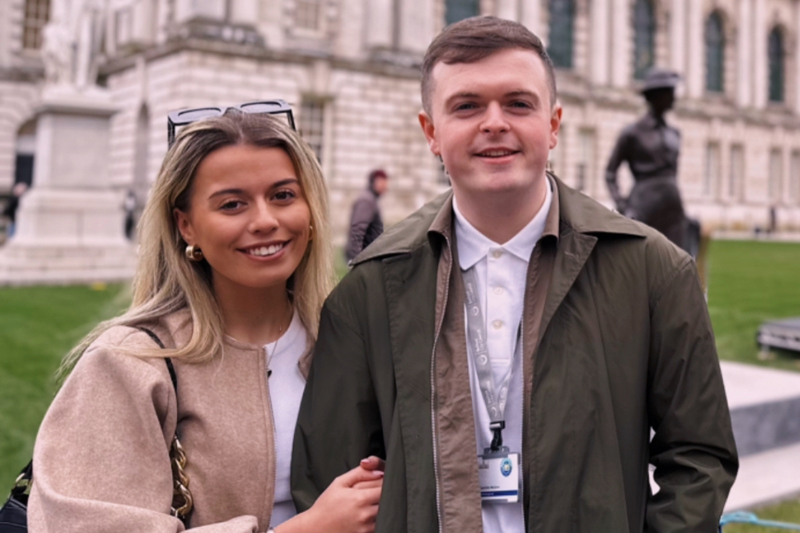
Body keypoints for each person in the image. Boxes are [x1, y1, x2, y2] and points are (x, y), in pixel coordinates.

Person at [293, 16, 737, 533]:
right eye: (467, 106)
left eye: (518, 103)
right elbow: (329, 477)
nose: (494, 122)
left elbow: (701, 457)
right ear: (431, 132)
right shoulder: (369, 288)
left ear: (553, 125)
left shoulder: (653, 270)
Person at [29, 111, 384, 533]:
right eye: (232, 204)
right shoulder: (128, 364)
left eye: (283, 195)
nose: (265, 220)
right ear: (186, 225)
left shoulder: (353, 340)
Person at [605, 69, 689, 252]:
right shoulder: (632, 133)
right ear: (656, 96)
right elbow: (610, 173)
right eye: (669, 91)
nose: (674, 97)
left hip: (672, 205)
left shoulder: (675, 134)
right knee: (640, 263)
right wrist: (622, 206)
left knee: (678, 264)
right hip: (644, 204)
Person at [345, 169, 388, 262]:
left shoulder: (371, 200)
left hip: (368, 256)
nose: (385, 186)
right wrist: (355, 259)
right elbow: (357, 230)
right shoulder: (367, 201)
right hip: (364, 257)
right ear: (373, 182)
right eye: (382, 182)